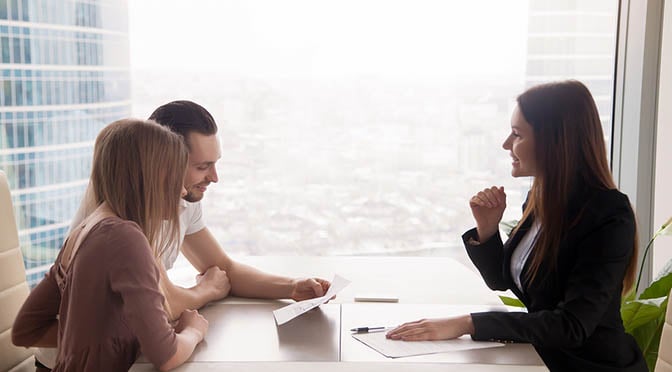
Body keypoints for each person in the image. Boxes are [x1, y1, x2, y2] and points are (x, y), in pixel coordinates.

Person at [386, 80, 647, 372]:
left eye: (517, 134)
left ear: (554, 140)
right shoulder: (540, 200)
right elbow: (505, 280)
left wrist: (466, 323)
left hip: (589, 366)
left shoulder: (608, 215)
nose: (506, 144)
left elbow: (572, 325)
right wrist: (487, 229)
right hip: (539, 358)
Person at [12, 119, 208, 371]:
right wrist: (194, 330)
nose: (182, 191)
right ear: (150, 176)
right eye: (174, 176)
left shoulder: (85, 229)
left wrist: (107, 339)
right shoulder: (125, 238)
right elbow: (167, 356)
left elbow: (26, 330)